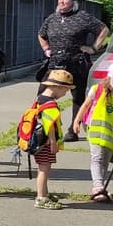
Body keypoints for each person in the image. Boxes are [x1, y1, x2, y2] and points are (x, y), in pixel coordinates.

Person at [37, 0, 109, 141]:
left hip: (76, 63)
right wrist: (46, 49)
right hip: (55, 63)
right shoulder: (52, 19)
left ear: (73, 2)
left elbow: (104, 29)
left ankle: (73, 130)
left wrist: (93, 48)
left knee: (78, 97)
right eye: (60, 0)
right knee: (43, 94)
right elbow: (41, 34)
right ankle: (45, 127)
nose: (62, 2)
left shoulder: (82, 17)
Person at [73, 62, 113, 202]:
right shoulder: (97, 89)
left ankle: (100, 185)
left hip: (111, 135)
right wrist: (77, 120)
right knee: (97, 158)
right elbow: (86, 104)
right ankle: (97, 186)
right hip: (95, 132)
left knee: (105, 161)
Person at [32, 70, 75, 210]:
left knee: (44, 167)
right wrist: (53, 142)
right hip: (45, 143)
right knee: (44, 169)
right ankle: (41, 198)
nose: (65, 94)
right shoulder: (50, 104)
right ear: (57, 87)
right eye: (66, 90)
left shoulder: (40, 98)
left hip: (39, 141)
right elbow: (49, 125)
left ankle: (44, 193)